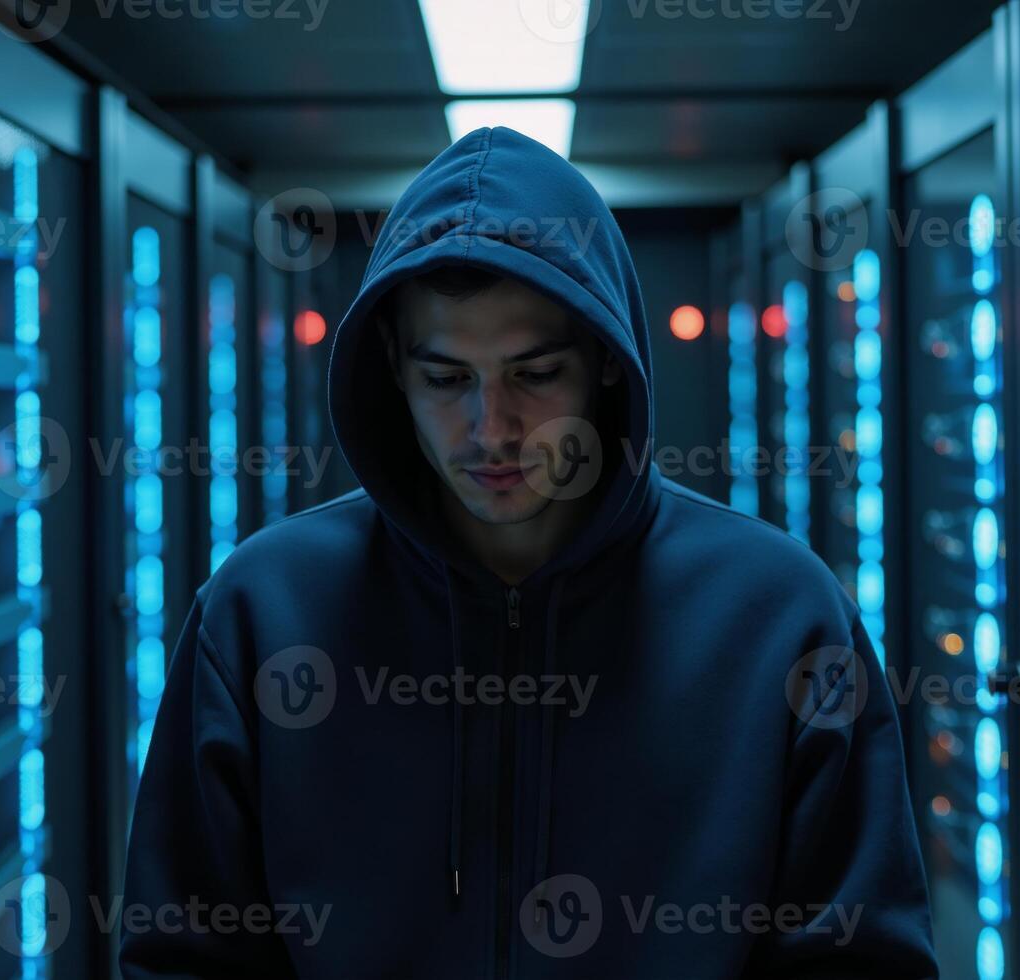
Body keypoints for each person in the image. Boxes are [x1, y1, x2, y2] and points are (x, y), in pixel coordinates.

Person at [121, 126, 937, 979]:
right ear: (392, 366)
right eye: (446, 380)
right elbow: (182, 955)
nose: (492, 429)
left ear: (607, 362)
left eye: (535, 374)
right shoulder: (262, 608)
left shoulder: (781, 615)